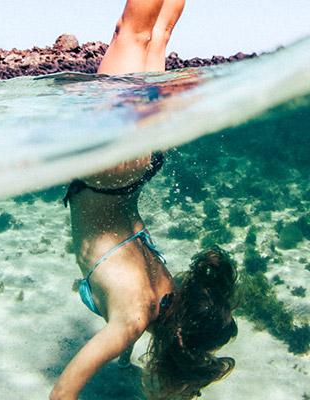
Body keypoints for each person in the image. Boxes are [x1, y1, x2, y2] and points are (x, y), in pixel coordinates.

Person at [50, 1, 238, 399]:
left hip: (140, 165)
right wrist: (122, 351)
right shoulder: (130, 323)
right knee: (132, 31)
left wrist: (123, 360)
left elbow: (140, 320)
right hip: (107, 171)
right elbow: (62, 394)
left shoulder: (169, 296)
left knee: (157, 35)